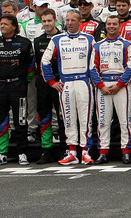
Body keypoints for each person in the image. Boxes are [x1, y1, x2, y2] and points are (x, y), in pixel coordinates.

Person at [40, 9, 99, 166]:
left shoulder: (89, 39)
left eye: (73, 20)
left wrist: (94, 81)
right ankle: (72, 153)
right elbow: (44, 61)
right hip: (65, 84)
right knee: (68, 119)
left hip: (84, 83)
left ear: (80, 22)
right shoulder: (57, 39)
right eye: (67, 20)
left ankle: (85, 152)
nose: (70, 23)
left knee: (85, 119)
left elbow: (95, 62)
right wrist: (51, 82)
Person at [0, 14, 34, 166]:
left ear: (14, 26)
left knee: (20, 119)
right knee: (1, 119)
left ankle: (22, 152)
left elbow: (30, 64)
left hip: (18, 86)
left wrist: (24, 80)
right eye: (1, 24)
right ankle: (1, 153)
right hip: (0, 86)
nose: (2, 26)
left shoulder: (24, 43)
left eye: (5, 24)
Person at [91, 15, 131, 164]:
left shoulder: (127, 45)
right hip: (103, 86)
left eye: (114, 24)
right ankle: (103, 152)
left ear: (119, 26)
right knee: (103, 121)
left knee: (125, 120)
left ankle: (126, 151)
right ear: (105, 26)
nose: (111, 26)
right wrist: (101, 86)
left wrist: (119, 85)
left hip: (121, 86)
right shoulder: (97, 46)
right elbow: (92, 68)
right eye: (109, 24)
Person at [32, 7, 63, 164]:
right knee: (44, 116)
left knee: (63, 116)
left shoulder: (63, 38)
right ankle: (47, 149)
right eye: (44, 21)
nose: (47, 24)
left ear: (55, 21)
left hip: (60, 82)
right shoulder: (37, 41)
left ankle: (65, 149)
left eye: (49, 21)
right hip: (43, 82)